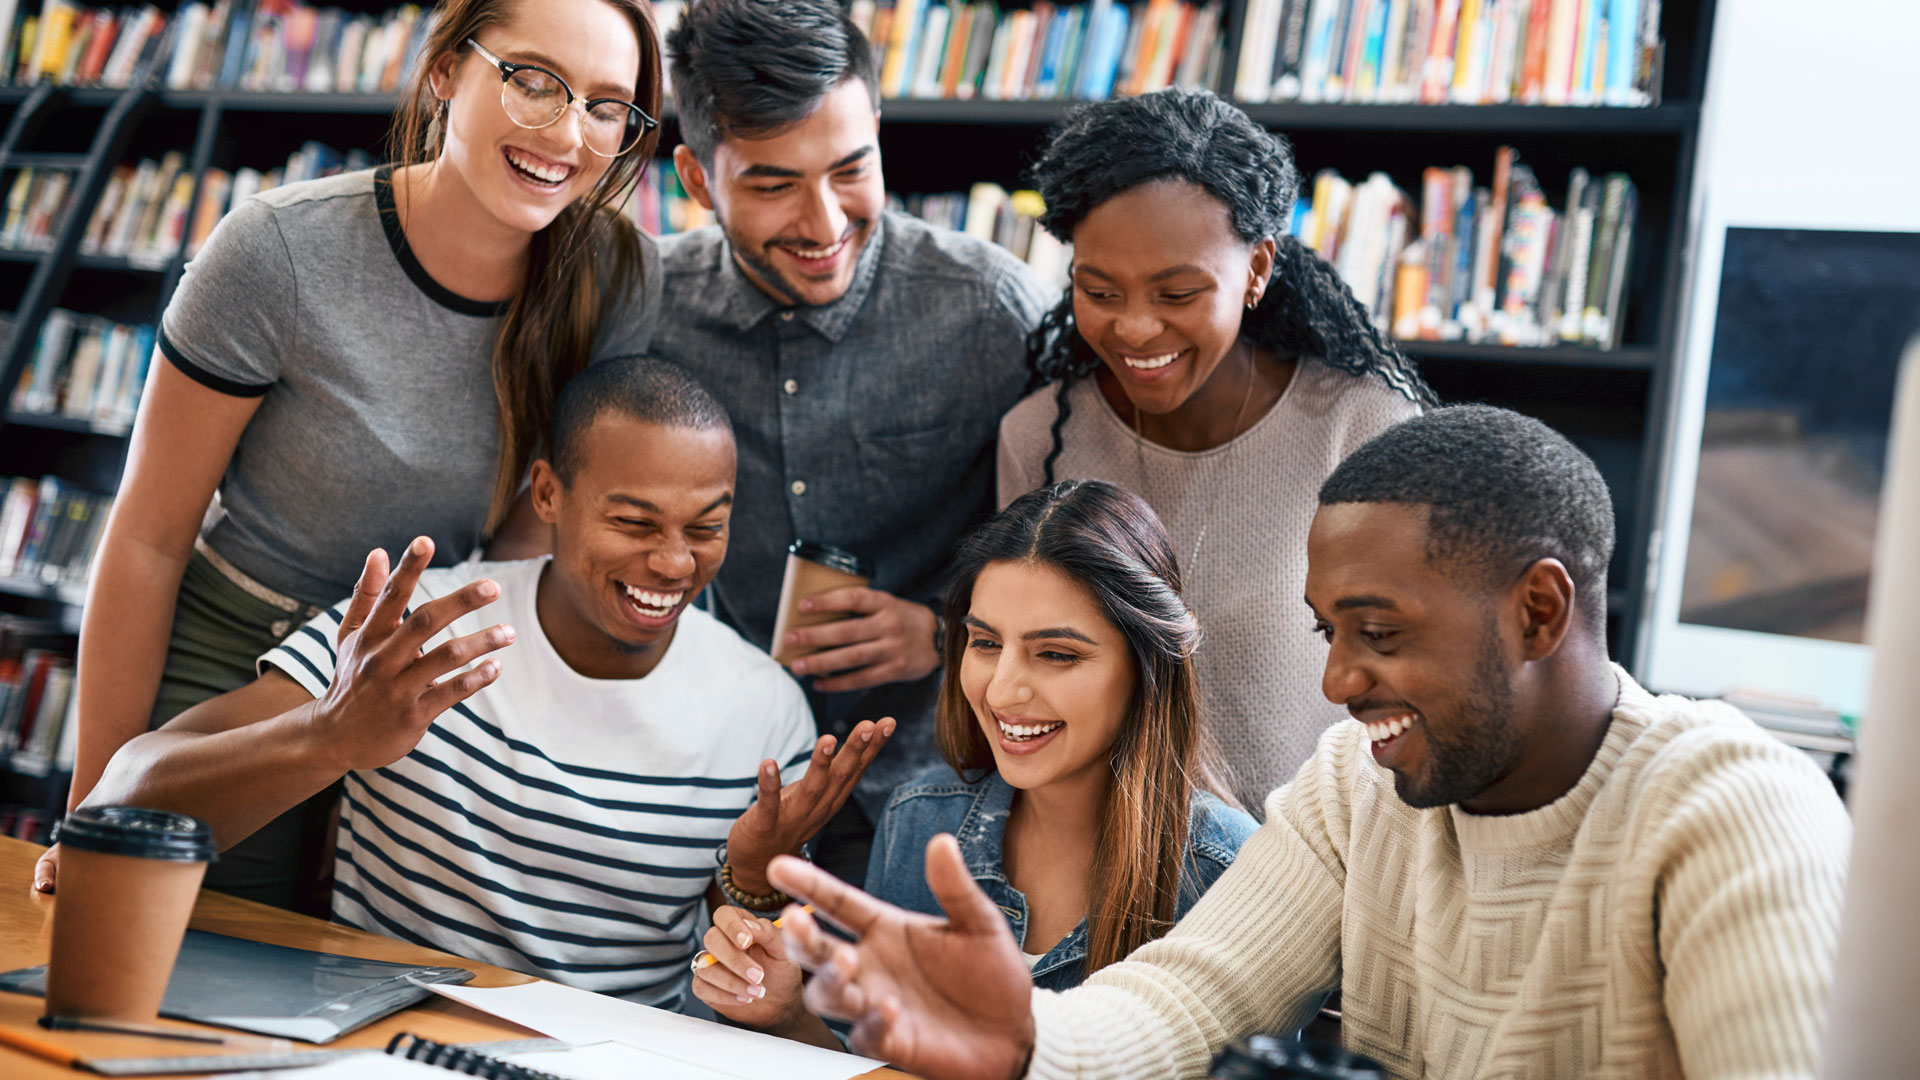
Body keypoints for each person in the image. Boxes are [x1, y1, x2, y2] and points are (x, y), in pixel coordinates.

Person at [767, 406, 1853, 1080]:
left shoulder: (1735, 808)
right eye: (1329, 634)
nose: (1337, 683)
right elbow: (1193, 997)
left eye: (1378, 635)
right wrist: (1033, 1044)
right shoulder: (1355, 787)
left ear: (1538, 611)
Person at [43, 0, 669, 910]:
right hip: (236, 668)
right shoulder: (277, 252)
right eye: (534, 80)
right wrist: (99, 813)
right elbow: (146, 538)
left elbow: (533, 539)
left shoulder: (617, 277)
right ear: (445, 70)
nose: (567, 133)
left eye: (607, 106)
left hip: (423, 685)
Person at [81, 359, 895, 1012]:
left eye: (706, 527)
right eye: (635, 523)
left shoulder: (765, 713)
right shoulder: (421, 624)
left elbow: (751, 999)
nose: (676, 563)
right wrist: (330, 734)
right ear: (548, 494)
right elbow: (120, 804)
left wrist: (748, 886)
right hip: (383, 1042)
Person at [648, 0, 1055, 883]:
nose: (825, 222)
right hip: (707, 780)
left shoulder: (991, 310)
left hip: (948, 787)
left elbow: (1077, 560)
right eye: (771, 183)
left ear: (876, 128)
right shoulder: (643, 312)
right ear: (693, 175)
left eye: (850, 169)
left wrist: (947, 635)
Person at [690, 480, 1255, 1045]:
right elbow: (870, 1061)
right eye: (984, 643)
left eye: (1056, 654)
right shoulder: (919, 822)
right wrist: (788, 1015)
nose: (1002, 692)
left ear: (1147, 667)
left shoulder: (1227, 871)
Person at [999, 88, 1437, 812]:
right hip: (1102, 871)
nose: (1135, 329)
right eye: (1100, 291)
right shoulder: (1041, 438)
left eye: (1177, 294)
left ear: (1258, 268)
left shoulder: (1362, 432)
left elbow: (1419, 684)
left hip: (1312, 876)